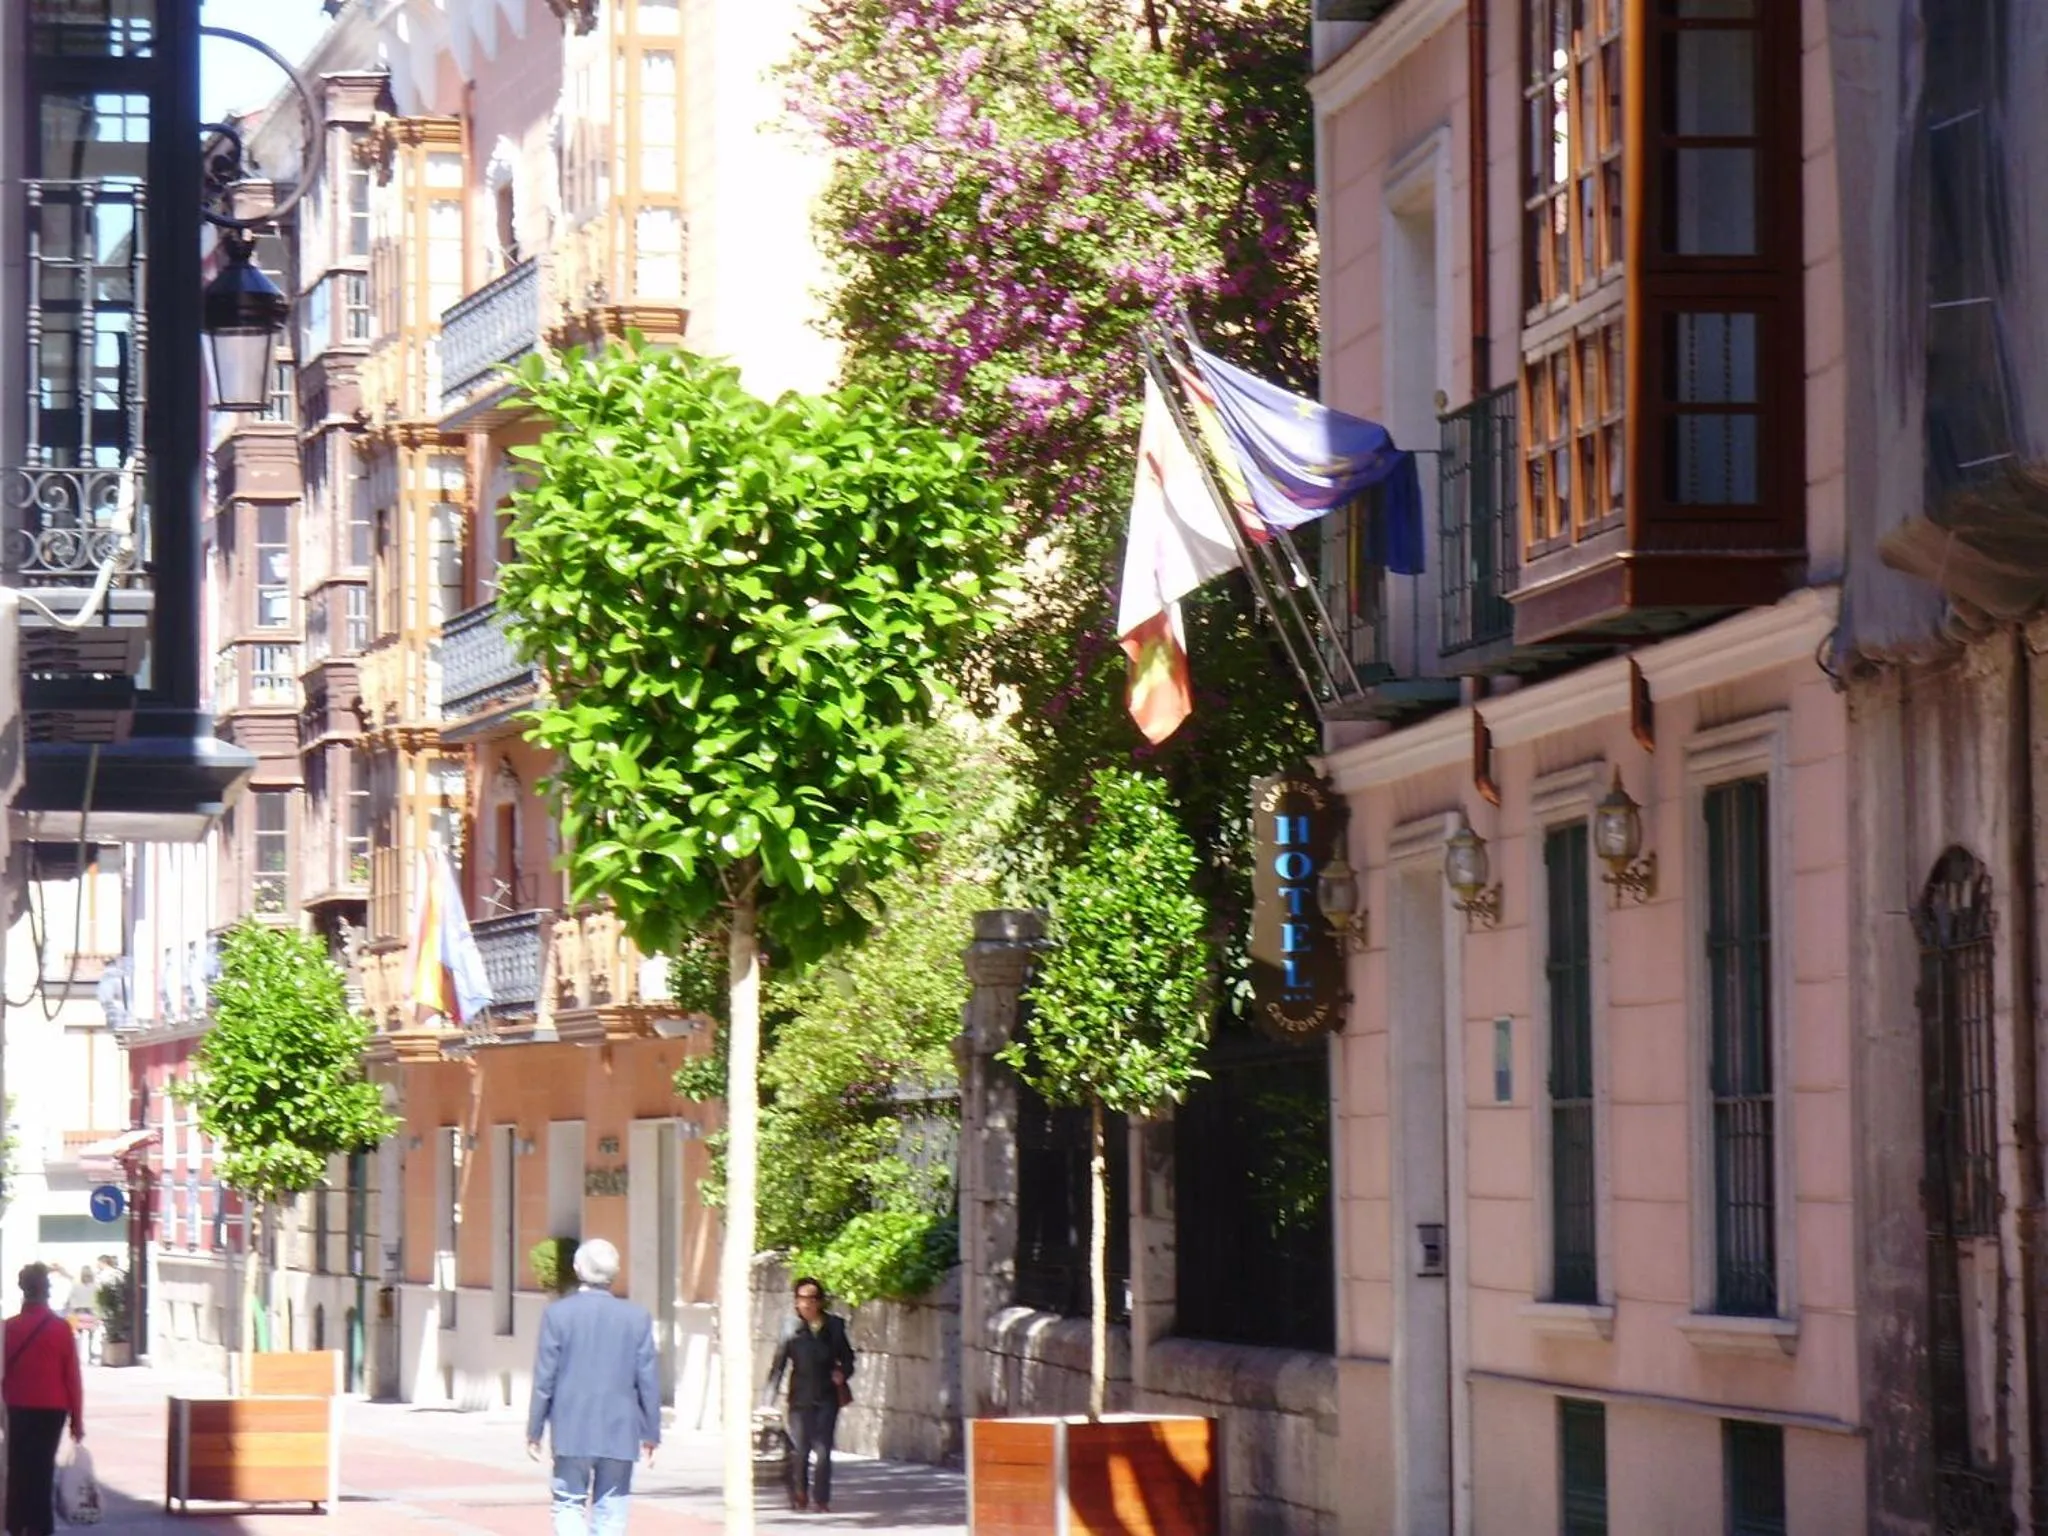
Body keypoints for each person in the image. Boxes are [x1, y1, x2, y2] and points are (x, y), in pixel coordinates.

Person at [525, 1239, 659, 1536]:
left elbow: (545, 1376)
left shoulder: (558, 1314)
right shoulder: (636, 1318)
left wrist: (535, 1429)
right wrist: (651, 1433)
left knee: (568, 1503)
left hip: (572, 1426)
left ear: (577, 1268)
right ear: (615, 1273)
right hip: (620, 1431)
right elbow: (647, 1378)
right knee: (612, 1508)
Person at [764, 1276, 856, 1514]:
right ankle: (800, 1493)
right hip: (800, 1398)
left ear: (819, 1302)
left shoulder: (834, 1326)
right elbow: (778, 1366)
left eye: (810, 1299)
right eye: (801, 1299)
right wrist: (767, 1402)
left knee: (824, 1450)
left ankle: (822, 1499)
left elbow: (848, 1359)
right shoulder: (790, 1328)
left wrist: (842, 1373)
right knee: (800, 1450)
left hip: (827, 1397)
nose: (805, 1304)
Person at [4, 1264, 83, 1536]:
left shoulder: (8, 1329)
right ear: (47, 1291)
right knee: (43, 1467)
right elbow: (72, 1378)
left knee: (17, 1465)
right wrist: (77, 1421)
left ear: (23, 1290)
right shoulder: (61, 1330)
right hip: (52, 1409)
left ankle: (16, 1522)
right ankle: (40, 1525)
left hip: (16, 1406)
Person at [64, 1266, 99, 1367]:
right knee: (91, 1337)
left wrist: (69, 1309)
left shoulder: (76, 1286)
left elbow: (70, 1299)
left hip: (78, 1312)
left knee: (78, 1336)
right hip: (91, 1312)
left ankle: (77, 1357)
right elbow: (98, 1300)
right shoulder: (95, 1287)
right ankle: (91, 1356)